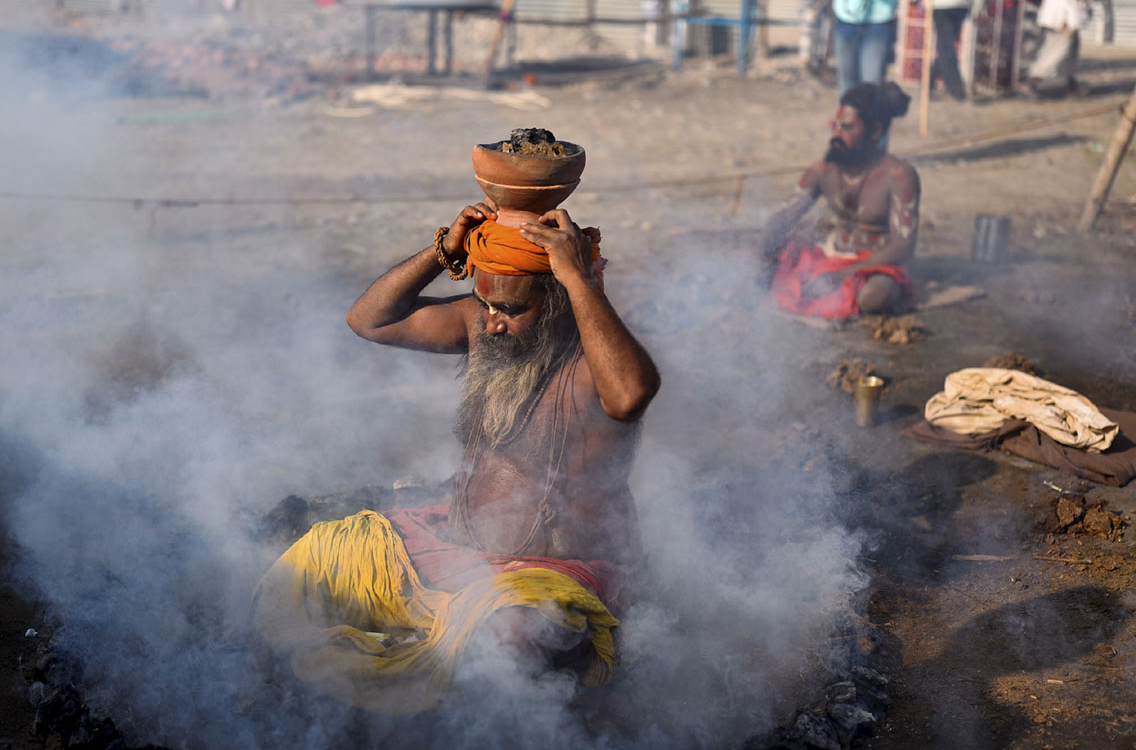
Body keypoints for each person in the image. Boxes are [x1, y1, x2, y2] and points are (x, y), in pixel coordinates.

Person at [251, 179, 661, 714]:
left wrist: (578, 279)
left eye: (511, 310)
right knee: (308, 567)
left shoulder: (594, 361)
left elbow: (632, 395)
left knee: (509, 640)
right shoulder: (481, 321)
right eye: (485, 303)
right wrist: (442, 249)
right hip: (456, 550)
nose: (491, 324)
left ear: (560, 302)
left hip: (553, 577)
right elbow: (369, 320)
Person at [760, 82, 921, 319]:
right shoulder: (823, 170)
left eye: (847, 128)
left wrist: (843, 274)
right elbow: (785, 216)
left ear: (875, 131)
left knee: (872, 296)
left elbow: (903, 247)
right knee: (764, 264)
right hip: (830, 257)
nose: (836, 135)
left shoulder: (899, 175)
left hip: (876, 266)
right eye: (834, 126)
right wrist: (766, 243)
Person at [829, 0, 920, 96]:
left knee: (872, 85)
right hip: (846, 16)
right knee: (847, 87)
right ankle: (849, 118)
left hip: (881, 17)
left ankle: (871, 118)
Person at [908, 0, 985, 100]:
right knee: (946, 46)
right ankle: (929, 83)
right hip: (963, 2)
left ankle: (955, 89)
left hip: (942, 1)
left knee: (945, 46)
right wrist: (978, 5)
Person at [1026, 0, 1100, 97]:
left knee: (1071, 52)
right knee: (1057, 51)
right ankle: (1032, 82)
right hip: (1063, 16)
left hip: (1067, 15)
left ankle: (1072, 88)